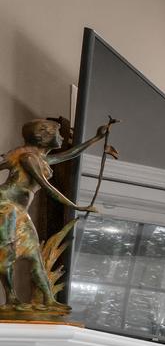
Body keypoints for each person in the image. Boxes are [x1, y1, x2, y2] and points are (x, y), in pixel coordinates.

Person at [0, 117, 115, 313]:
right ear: (43, 137)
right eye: (58, 133)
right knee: (7, 253)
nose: (62, 137)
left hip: (19, 210)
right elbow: (47, 188)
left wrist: (96, 138)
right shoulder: (28, 158)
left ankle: (49, 299)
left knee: (34, 254)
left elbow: (71, 154)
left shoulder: (41, 158)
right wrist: (77, 206)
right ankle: (11, 298)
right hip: (6, 206)